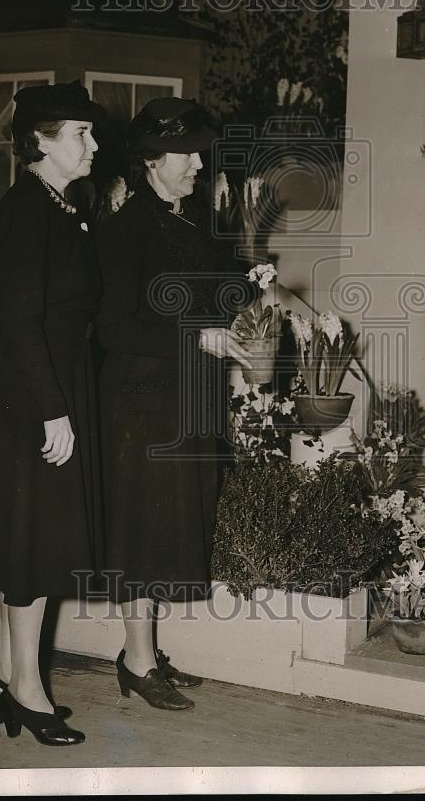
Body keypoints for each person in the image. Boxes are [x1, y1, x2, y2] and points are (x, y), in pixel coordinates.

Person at [0, 80, 108, 746]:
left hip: (48, 390)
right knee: (31, 546)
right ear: (41, 140)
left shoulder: (62, 207)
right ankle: (28, 692)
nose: (93, 144)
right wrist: (52, 412)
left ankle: (8, 675)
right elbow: (17, 322)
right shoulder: (25, 209)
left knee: (34, 542)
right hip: (27, 400)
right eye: (80, 134)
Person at [95, 97, 253, 710]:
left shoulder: (189, 220)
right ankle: (136, 662)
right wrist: (199, 335)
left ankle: (146, 652)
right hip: (142, 406)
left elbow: (214, 284)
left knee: (171, 527)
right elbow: (114, 327)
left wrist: (247, 279)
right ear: (151, 160)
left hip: (189, 400)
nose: (197, 163)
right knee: (142, 530)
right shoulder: (126, 229)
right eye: (186, 153)